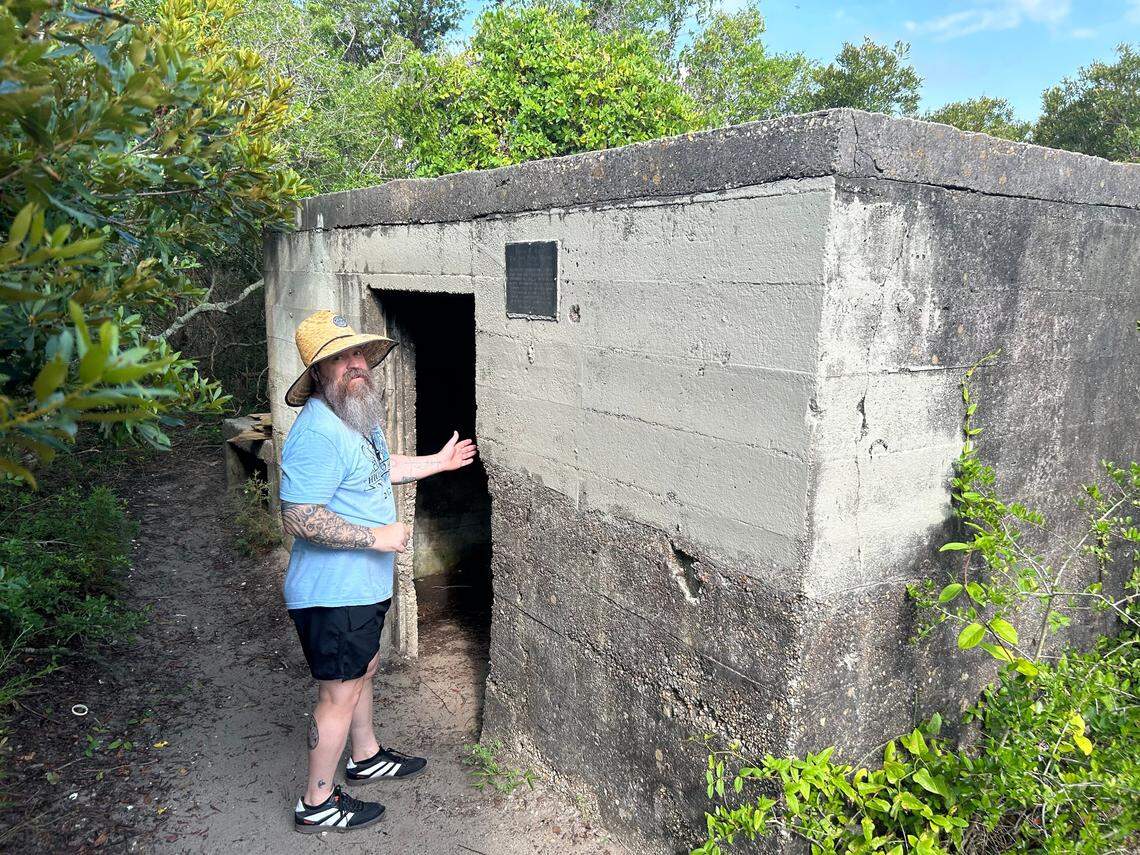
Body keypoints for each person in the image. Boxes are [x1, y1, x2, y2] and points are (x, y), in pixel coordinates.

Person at [277, 309, 477, 833]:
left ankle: (365, 757)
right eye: (339, 358)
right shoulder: (317, 432)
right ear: (318, 373)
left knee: (360, 670)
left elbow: (378, 470)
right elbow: (299, 515)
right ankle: (316, 802)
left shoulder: (356, 417)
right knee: (338, 691)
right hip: (331, 593)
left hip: (358, 587)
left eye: (358, 353)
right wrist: (375, 537)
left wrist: (437, 461)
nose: (355, 364)